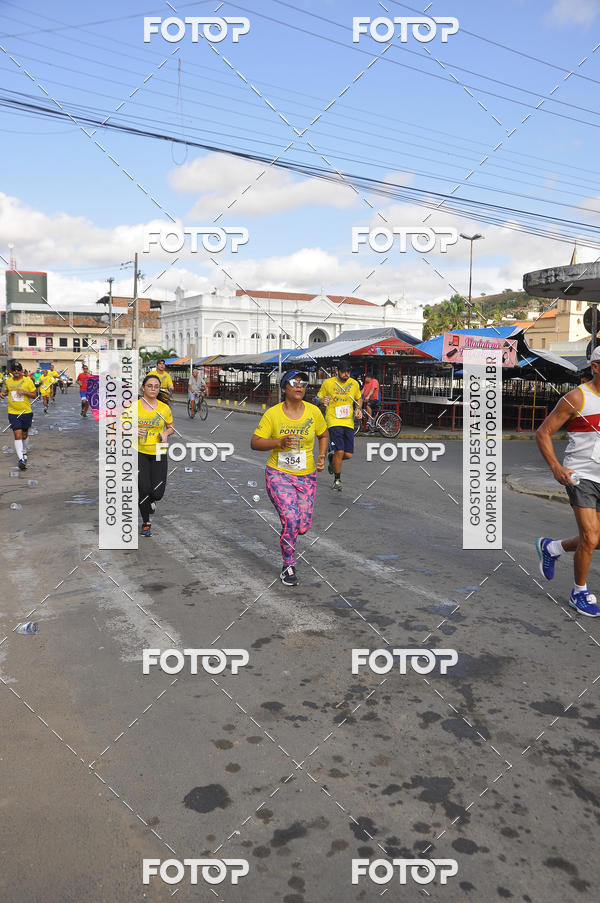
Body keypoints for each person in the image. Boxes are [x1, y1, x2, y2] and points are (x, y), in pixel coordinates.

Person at [536, 346, 600, 617]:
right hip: (581, 476)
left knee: (597, 539)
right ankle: (579, 592)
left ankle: (551, 547)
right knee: (591, 535)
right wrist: (556, 468)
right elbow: (543, 432)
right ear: (596, 367)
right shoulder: (577, 398)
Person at [251, 369, 328, 586]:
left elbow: (323, 434)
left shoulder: (313, 412)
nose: (299, 386)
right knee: (291, 519)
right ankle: (288, 565)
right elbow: (255, 442)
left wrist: (321, 456)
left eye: (303, 383)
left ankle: (291, 539)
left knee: (302, 526)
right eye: (294, 382)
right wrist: (279, 442)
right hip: (279, 474)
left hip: (307, 477)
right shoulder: (273, 414)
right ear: (284, 388)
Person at [137, 374, 175, 537]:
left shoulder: (164, 408)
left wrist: (166, 433)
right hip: (139, 451)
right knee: (144, 488)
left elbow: (171, 427)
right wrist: (131, 430)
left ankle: (152, 500)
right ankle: (146, 522)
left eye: (156, 386)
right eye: (150, 386)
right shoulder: (134, 407)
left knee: (157, 492)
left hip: (159, 451)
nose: (153, 389)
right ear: (143, 388)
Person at [317, 360, 362, 491]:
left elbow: (358, 398)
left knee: (348, 455)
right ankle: (337, 480)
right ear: (337, 371)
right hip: (333, 420)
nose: (346, 374)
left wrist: (358, 408)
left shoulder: (354, 384)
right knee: (340, 450)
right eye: (343, 372)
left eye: (348, 372)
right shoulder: (328, 383)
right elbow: (318, 398)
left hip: (348, 421)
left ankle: (332, 458)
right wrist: (321, 400)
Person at [0, 361, 37, 470]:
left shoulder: (28, 381)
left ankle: (24, 451)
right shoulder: (8, 381)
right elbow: (8, 391)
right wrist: (3, 394)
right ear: (11, 371)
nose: (16, 371)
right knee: (17, 435)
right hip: (13, 412)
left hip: (26, 412)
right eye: (14, 370)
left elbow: (35, 395)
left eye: (18, 370)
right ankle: (21, 459)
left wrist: (24, 392)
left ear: (21, 371)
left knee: (24, 435)